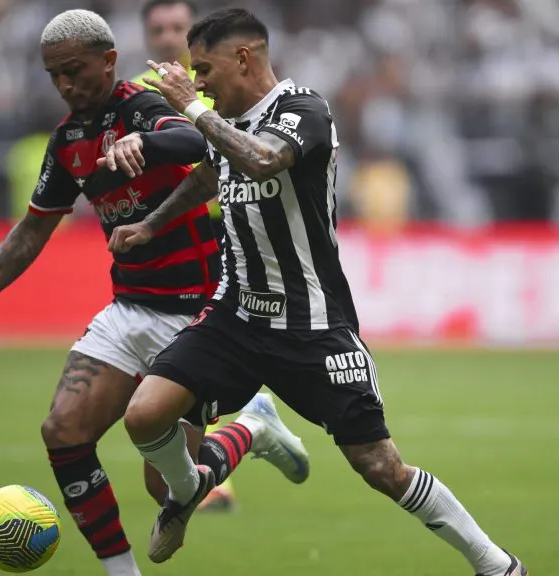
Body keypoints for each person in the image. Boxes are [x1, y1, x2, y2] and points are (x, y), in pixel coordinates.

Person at [109, 9, 528, 575]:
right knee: (144, 418)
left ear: (244, 58)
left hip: (310, 325)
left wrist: (188, 105)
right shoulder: (223, 123)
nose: (199, 81)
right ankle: (190, 492)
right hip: (235, 314)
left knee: (381, 466)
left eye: (203, 68)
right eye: (193, 73)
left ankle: (496, 564)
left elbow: (259, 161)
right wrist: (151, 226)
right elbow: (211, 174)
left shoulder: (303, 109)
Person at [0, 10, 309, 576]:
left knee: (168, 488)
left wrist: (148, 142)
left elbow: (202, 145)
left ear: (108, 61)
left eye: (75, 70)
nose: (65, 85)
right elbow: (33, 228)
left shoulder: (143, 105)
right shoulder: (68, 141)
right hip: (130, 306)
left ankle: (252, 426)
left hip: (199, 316)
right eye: (54, 75)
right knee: (62, 431)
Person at [132, 0, 235, 512]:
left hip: (220, 236)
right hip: (162, 239)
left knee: (192, 356)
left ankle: (209, 470)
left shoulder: (217, 88)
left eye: (179, 27)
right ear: (146, 35)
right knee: (165, 360)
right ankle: (245, 429)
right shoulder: (131, 95)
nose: (170, 37)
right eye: (160, 28)